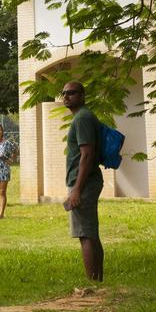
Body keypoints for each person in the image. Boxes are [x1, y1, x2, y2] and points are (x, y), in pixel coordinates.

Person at [61, 80, 104, 281]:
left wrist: (77, 189)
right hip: (87, 181)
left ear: (82, 95)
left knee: (85, 234)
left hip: (84, 182)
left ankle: (92, 284)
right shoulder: (83, 117)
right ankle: (98, 281)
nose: (66, 96)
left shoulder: (82, 119)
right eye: (64, 93)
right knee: (90, 232)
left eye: (71, 93)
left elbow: (87, 155)